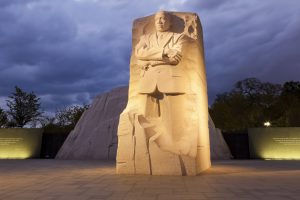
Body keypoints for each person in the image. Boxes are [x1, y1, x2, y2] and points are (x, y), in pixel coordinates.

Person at [134, 10, 196, 158]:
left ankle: (175, 148)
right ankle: (150, 150)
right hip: (149, 81)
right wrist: (164, 52)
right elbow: (139, 54)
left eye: (163, 19)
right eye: (157, 19)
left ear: (170, 22)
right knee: (146, 117)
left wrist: (149, 60)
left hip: (170, 80)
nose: (160, 22)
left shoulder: (178, 37)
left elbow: (175, 59)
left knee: (173, 119)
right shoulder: (145, 37)